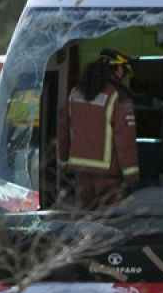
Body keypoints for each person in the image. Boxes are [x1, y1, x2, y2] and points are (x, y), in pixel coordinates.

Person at [58, 48, 139, 208]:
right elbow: (125, 141)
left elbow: (63, 133)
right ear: (120, 69)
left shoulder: (75, 93)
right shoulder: (119, 96)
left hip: (80, 174)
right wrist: (132, 178)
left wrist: (62, 165)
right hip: (109, 177)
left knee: (87, 222)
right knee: (110, 226)